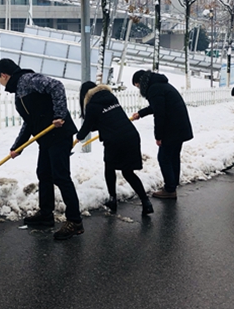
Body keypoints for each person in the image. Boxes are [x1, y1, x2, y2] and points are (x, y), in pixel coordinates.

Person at [0, 58, 83, 240]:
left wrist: (59, 115)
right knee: (43, 174)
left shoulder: (28, 80)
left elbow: (57, 86)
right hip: (46, 138)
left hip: (59, 134)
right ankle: (46, 214)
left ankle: (75, 221)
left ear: (4, 75)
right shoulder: (19, 90)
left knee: (61, 176)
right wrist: (17, 147)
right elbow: (30, 122)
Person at [77, 82, 154, 216]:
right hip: (131, 135)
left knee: (109, 168)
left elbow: (87, 127)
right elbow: (106, 119)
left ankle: (113, 200)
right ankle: (146, 202)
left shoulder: (92, 105)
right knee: (128, 172)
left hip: (115, 139)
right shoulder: (110, 97)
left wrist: (77, 137)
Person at [131, 70, 193, 199]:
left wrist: (158, 136)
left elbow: (160, 114)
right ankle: (172, 185)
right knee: (173, 157)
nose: (138, 89)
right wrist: (140, 113)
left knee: (164, 158)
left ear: (141, 82)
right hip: (179, 126)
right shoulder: (159, 85)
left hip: (172, 128)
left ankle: (170, 189)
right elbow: (157, 106)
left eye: (137, 86)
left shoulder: (154, 89)